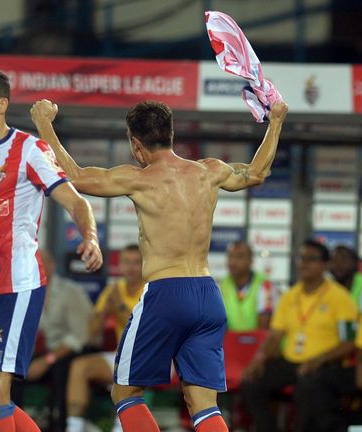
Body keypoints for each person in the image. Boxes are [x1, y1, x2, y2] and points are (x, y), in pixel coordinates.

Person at [30, 97, 289, 432]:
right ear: (170, 134)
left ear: (136, 144)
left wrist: (44, 125)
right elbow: (256, 173)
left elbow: (74, 177)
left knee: (124, 390)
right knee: (202, 402)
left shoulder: (140, 179)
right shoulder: (208, 170)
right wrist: (276, 122)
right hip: (208, 296)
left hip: (166, 294)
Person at [0, 69, 102, 432]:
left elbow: (77, 203)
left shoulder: (29, 149)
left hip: (17, 285)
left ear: (2, 104)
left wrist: (90, 236)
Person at [241, 240, 357, 432]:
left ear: (325, 265)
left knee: (309, 385)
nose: (304, 263)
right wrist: (259, 358)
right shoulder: (289, 296)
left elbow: (349, 342)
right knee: (252, 382)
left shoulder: (340, 298)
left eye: (311, 259)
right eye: (301, 258)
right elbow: (275, 335)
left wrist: (318, 360)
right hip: (291, 361)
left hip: (324, 364)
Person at [66, 244, 145, 432]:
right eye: (126, 262)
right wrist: (103, 314)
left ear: (144, 265)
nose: (131, 267)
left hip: (150, 357)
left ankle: (121, 427)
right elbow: (91, 333)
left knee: (127, 366)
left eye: (136, 263)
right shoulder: (113, 290)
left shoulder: (150, 289)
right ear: (121, 265)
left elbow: (143, 333)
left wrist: (119, 308)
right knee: (79, 366)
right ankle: (74, 427)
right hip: (122, 357)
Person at [23, 250, 93, 432]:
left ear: (53, 266)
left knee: (63, 370)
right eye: (34, 261)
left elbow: (79, 337)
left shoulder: (71, 292)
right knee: (13, 370)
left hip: (76, 350)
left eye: (43, 261)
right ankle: (14, 425)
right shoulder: (28, 293)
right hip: (49, 351)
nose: (39, 265)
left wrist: (46, 361)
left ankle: (63, 427)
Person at [219, 241, 277, 331]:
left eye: (239, 257)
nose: (233, 262)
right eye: (230, 256)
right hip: (230, 342)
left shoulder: (266, 285)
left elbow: (263, 327)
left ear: (251, 260)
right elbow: (219, 321)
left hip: (258, 342)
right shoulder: (223, 284)